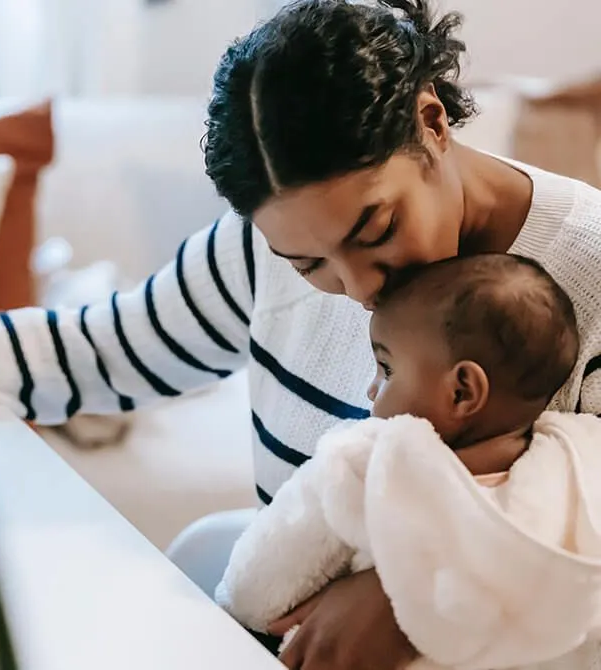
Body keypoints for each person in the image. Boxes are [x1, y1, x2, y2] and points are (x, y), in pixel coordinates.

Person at [0, 0, 601, 667]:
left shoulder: (588, 269)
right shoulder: (253, 250)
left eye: (373, 232)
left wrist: (405, 607)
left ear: (430, 122)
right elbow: (100, 352)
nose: (358, 289)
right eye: (307, 266)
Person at [216, 254, 601, 669]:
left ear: (462, 392)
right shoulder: (579, 460)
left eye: (387, 369)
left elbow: (255, 590)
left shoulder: (370, 464)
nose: (371, 388)